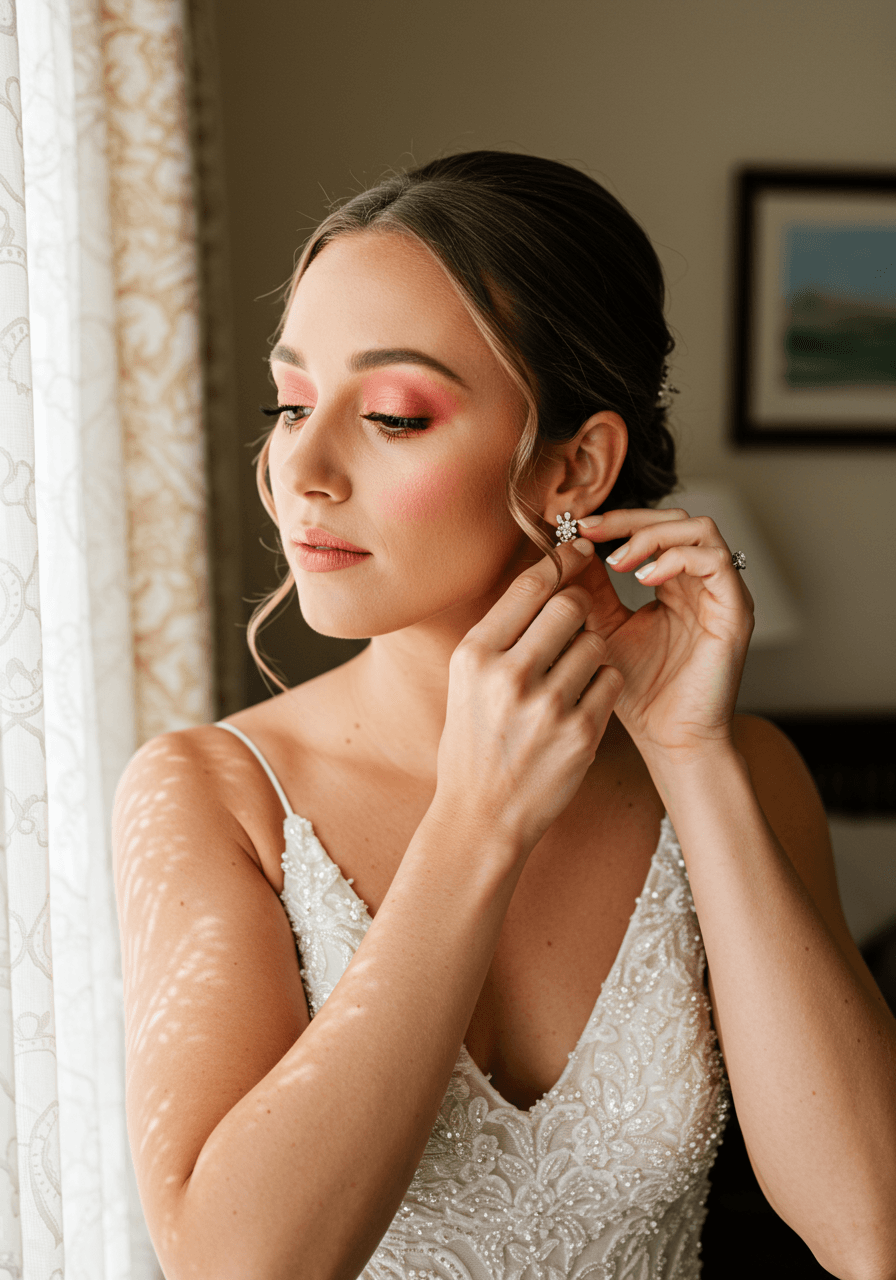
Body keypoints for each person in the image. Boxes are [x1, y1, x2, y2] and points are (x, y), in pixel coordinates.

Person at [112, 152, 896, 1280]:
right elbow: (239, 1265)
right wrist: (474, 823)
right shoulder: (210, 792)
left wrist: (689, 755)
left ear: (573, 467)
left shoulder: (741, 771)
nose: (302, 469)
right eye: (290, 403)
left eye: (390, 414)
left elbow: (868, 1226)